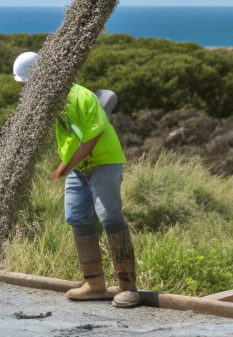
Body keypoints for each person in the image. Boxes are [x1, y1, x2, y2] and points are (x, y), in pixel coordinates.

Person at [12, 51, 139, 308]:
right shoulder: (53, 100)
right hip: (79, 165)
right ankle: (95, 284)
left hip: (103, 160)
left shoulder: (80, 97)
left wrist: (63, 168)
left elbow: (90, 141)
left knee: (109, 215)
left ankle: (128, 287)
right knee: (76, 217)